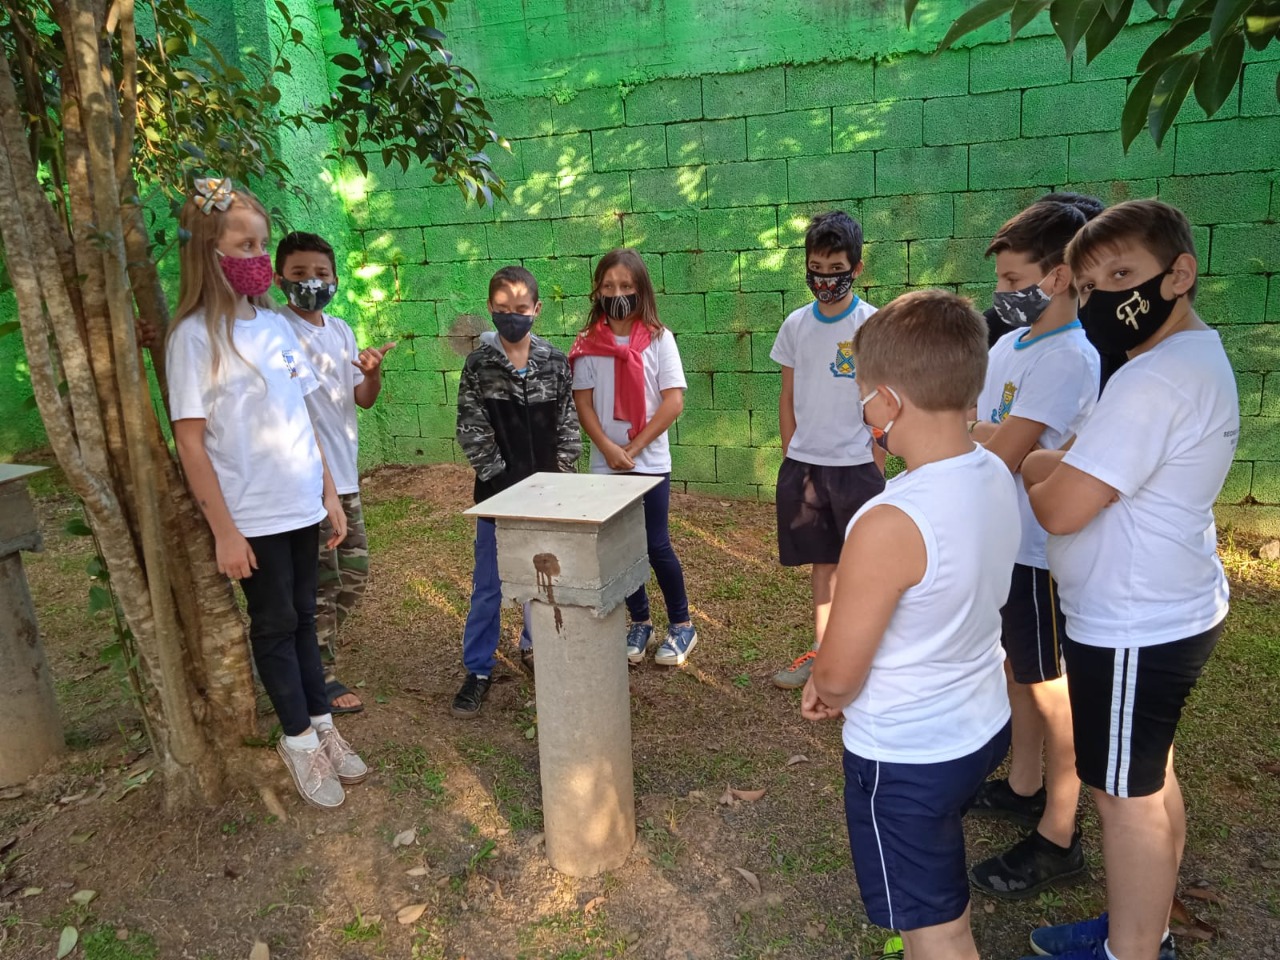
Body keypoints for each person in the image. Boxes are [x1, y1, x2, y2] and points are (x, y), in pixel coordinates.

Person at [1018, 200, 1237, 960]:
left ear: (1179, 273)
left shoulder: (1153, 382)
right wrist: (1061, 462)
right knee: (1146, 775)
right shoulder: (1177, 359)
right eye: (1086, 285)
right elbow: (1076, 464)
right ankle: (1143, 929)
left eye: (1122, 274)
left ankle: (1132, 950)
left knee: (1123, 797)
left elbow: (1061, 505)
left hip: (1135, 624)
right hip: (1167, 607)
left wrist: (1045, 465)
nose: (1103, 296)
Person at [803, 289, 1020, 960]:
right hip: (981, 726)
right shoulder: (994, 471)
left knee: (937, 928)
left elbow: (838, 673)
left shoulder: (888, 522)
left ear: (889, 402)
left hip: (907, 757)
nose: (865, 410)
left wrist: (827, 686)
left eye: (864, 396)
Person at [166, 177, 366, 809]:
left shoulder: (276, 329)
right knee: (276, 623)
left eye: (261, 244)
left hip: (304, 501)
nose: (256, 257)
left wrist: (330, 495)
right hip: (251, 514)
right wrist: (225, 529)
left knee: (307, 618)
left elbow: (303, 419)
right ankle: (299, 742)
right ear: (208, 252)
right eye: (243, 245)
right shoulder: (194, 337)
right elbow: (192, 443)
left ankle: (324, 727)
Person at [965, 199, 1102, 899]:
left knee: (1054, 692)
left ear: (1058, 277)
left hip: (1045, 554)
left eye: (1014, 278)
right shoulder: (1006, 347)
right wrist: (989, 433)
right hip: (1007, 544)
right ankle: (1023, 785)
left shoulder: (1072, 357)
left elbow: (1006, 447)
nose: (1002, 295)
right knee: (1021, 670)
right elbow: (982, 431)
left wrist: (986, 433)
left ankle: (1059, 830)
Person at [275, 231, 395, 715]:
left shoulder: (341, 330)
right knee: (323, 583)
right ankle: (318, 675)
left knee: (355, 578)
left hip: (344, 480)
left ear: (336, 279)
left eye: (321, 274)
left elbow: (361, 400)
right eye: (299, 274)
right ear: (279, 277)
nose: (311, 283)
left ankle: (305, 655)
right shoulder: (274, 330)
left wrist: (372, 373)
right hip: (305, 481)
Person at [452, 266, 581, 718]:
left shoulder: (554, 362)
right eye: (503, 310)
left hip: (548, 501)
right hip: (496, 500)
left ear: (536, 310)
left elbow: (567, 427)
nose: (512, 318)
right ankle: (478, 670)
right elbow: (472, 431)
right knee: (489, 585)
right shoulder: (479, 366)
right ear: (491, 309)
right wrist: (505, 488)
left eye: (521, 310)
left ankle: (536, 646)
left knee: (542, 581)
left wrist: (560, 482)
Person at [770, 211, 885, 690]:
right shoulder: (796, 325)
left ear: (856, 269)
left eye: (835, 268)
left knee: (866, 568)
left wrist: (876, 462)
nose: (824, 278)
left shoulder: (873, 324)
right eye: (816, 267)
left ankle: (868, 663)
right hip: (807, 468)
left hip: (857, 469)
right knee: (824, 565)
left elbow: (881, 399)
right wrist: (791, 453)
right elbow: (787, 395)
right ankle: (823, 656)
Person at [570, 249, 697, 667]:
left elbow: (673, 402)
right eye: (608, 286)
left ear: (640, 289)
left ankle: (682, 624)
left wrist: (635, 447)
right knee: (621, 548)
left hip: (650, 462)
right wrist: (608, 449)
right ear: (597, 291)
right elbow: (583, 404)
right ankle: (640, 620)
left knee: (656, 544)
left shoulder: (660, 339)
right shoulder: (588, 345)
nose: (617, 293)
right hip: (607, 464)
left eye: (626, 286)